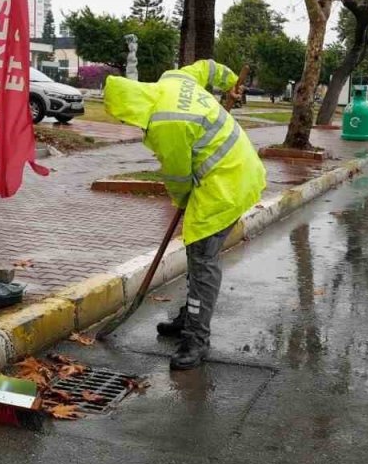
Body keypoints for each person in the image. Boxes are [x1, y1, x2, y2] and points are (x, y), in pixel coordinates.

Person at [102, 60, 267, 370]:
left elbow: (178, 178)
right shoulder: (173, 77)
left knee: (203, 256)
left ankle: (197, 338)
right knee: (197, 251)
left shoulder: (165, 123)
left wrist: (181, 201)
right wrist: (231, 81)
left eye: (126, 119)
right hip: (237, 169)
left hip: (226, 183)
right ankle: (190, 316)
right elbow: (208, 67)